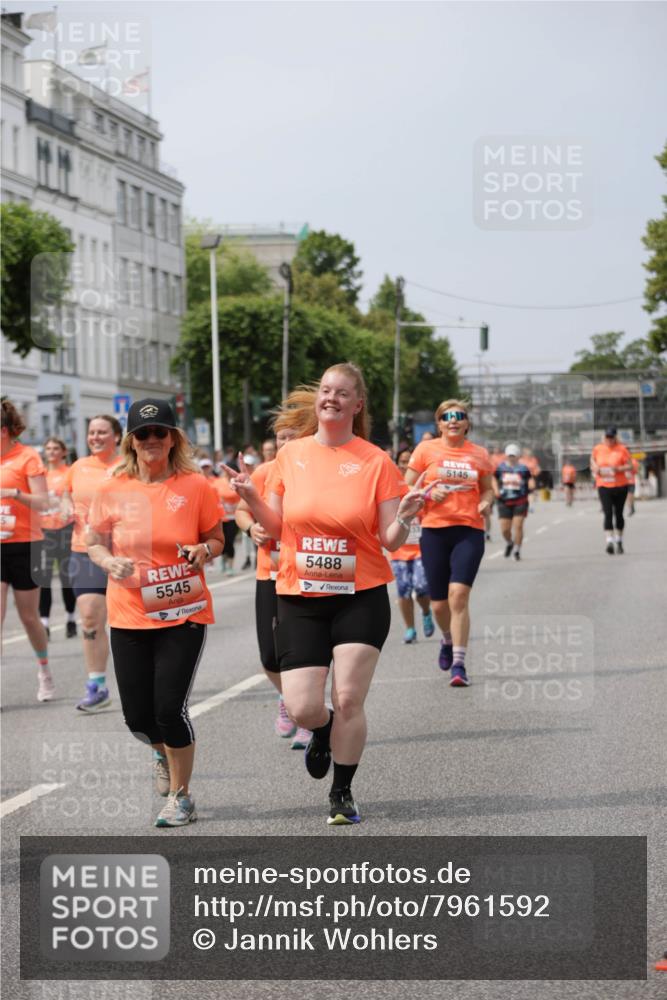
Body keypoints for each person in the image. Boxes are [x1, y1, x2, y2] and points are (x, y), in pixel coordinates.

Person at [225, 363, 425, 826]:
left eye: (342, 393)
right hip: (300, 594)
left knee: (349, 697)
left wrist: (406, 516)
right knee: (302, 707)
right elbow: (276, 528)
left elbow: (390, 540)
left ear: (357, 405)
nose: (331, 398)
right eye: (326, 390)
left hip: (360, 595)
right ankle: (324, 728)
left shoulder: (376, 461)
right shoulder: (291, 455)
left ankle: (342, 792)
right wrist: (250, 496)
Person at [87, 399, 224, 828]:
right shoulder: (112, 488)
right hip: (129, 613)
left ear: (173, 438)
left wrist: (204, 550)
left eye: (159, 432)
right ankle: (160, 752)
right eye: (143, 433)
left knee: (169, 708)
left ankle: (182, 797)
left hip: (183, 611)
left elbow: (216, 538)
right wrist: (108, 561)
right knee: (138, 718)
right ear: (131, 441)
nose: (151, 440)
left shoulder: (196, 486)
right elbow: (93, 542)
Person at [235, 393, 311, 747]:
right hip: (270, 573)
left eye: (293, 436)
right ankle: (288, 697)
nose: (286, 442)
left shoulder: (314, 471)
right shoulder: (263, 472)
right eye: (281, 437)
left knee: (304, 650)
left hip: (308, 574)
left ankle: (306, 715)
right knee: (269, 654)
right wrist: (251, 528)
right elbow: (241, 512)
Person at [405, 399, 494, 687]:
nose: (453, 420)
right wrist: (428, 494)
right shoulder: (425, 450)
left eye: (459, 416)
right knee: (439, 605)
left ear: (467, 423)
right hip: (434, 531)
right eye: (446, 416)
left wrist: (486, 503)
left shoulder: (479, 454)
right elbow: (406, 484)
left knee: (459, 595)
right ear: (439, 423)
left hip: (469, 530)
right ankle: (446, 639)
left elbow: (488, 490)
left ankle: (459, 663)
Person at [62, 415, 122, 712]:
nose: (95, 437)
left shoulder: (127, 466)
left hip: (124, 552)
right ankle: (97, 685)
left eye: (102, 432)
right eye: (92, 432)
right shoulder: (78, 467)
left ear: (117, 436)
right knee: (88, 616)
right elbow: (66, 495)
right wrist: (65, 508)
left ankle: (145, 679)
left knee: (129, 621)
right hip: (84, 550)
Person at [0, 399, 51, 701]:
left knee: (29, 617)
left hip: (26, 545)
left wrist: (14, 493)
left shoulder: (27, 457)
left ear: (3, 430)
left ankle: (44, 670)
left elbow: (44, 502)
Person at [391, 448, 434, 643]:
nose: (405, 465)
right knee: (403, 590)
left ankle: (426, 611)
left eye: (409, 461)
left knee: (421, 586)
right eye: (402, 461)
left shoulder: (423, 486)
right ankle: (410, 629)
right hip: (399, 549)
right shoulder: (390, 487)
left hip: (421, 549)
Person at [38, 437, 77, 639]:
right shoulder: (39, 475)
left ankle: (71, 618)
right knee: (43, 577)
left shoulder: (69, 472)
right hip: (43, 530)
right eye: (48, 448)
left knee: (66, 577)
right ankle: (44, 622)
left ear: (63, 452)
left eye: (55, 448)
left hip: (65, 529)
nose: (51, 451)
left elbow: (76, 498)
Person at [590, 427, 632, 554]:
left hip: (620, 485)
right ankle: (609, 541)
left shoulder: (622, 449)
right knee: (607, 513)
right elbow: (592, 461)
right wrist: (595, 468)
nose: (609, 440)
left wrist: (618, 469)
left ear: (615, 437)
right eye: (607, 437)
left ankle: (619, 541)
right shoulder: (598, 448)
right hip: (604, 485)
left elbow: (630, 465)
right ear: (604, 437)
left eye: (611, 437)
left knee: (618, 514)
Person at [494, 443, 535, 561]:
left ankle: (517, 549)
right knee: (505, 529)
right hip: (504, 501)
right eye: (510, 455)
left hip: (520, 500)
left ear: (518, 456)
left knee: (518, 526)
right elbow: (493, 478)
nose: (511, 457)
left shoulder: (523, 468)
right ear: (506, 455)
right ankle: (509, 542)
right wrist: (496, 490)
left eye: (514, 455)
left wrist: (531, 485)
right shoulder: (501, 467)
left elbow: (530, 479)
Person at [199, 458, 239, 574]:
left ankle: (230, 566)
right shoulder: (217, 482)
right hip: (221, 517)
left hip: (233, 517)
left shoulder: (237, 481)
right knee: (224, 542)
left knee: (230, 541)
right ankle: (224, 561)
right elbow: (212, 494)